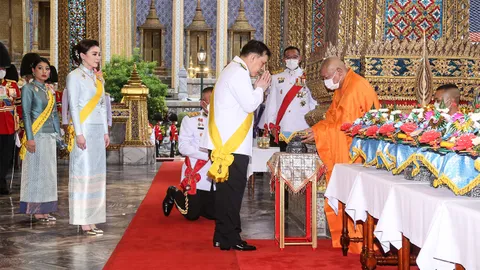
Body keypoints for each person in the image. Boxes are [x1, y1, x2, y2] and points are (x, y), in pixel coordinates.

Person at [302, 57, 380, 254]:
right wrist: (317, 130)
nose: (326, 83)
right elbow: (331, 117)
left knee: (356, 195)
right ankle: (351, 238)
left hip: (357, 152)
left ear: (338, 71)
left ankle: (360, 239)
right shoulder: (343, 87)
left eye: (327, 77)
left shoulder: (355, 88)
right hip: (347, 148)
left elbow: (347, 128)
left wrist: (320, 134)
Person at [203, 40, 272, 251]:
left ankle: (222, 235)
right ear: (252, 57)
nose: (261, 68)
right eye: (261, 63)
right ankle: (229, 238)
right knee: (231, 194)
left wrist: (256, 88)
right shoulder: (238, 73)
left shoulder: (232, 70)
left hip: (227, 144)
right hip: (231, 147)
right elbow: (250, 104)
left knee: (226, 193)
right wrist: (260, 88)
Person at [67, 39, 109, 236]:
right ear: (83, 56)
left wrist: (105, 132)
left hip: (97, 131)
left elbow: (102, 106)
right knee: (82, 174)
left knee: (96, 175)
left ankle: (93, 218)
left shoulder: (97, 78)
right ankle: (83, 219)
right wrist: (79, 133)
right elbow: (73, 106)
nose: (98, 57)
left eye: (99, 54)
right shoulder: (74, 76)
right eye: (94, 54)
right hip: (83, 128)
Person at [163, 87, 215, 220]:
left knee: (214, 215)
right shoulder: (191, 120)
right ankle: (173, 192)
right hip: (198, 172)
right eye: (211, 101)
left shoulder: (224, 120)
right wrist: (208, 155)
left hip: (215, 175)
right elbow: (183, 147)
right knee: (191, 215)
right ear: (203, 103)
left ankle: (203, 205)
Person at [19, 57, 60, 221]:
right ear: (33, 70)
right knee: (35, 172)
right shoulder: (28, 89)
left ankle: (46, 208)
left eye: (47, 69)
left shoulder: (49, 90)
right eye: (40, 68)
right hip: (36, 135)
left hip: (49, 136)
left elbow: (54, 113)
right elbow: (26, 114)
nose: (44, 72)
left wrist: (58, 134)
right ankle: (35, 209)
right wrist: (29, 138)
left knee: (48, 173)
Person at [265, 46, 317, 151]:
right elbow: (271, 104)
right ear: (284, 59)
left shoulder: (308, 77)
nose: (291, 60)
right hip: (284, 126)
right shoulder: (276, 78)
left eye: (295, 57)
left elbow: (313, 103)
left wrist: (314, 125)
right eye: (288, 57)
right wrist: (271, 125)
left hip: (303, 125)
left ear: (300, 58)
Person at [0, 42, 22, 195]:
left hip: (8, 126)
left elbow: (18, 108)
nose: (1, 71)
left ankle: (2, 181)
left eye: (2, 68)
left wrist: (19, 125)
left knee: (6, 157)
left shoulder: (12, 86)